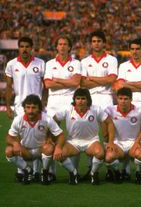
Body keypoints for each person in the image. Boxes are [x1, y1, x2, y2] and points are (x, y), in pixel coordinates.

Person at [5, 36, 47, 181]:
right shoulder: (11, 64)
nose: (24, 49)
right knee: (21, 138)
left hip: (37, 105)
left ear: (31, 48)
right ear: (19, 48)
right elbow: (9, 87)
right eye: (21, 46)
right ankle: (23, 170)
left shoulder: (41, 63)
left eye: (27, 46)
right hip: (19, 106)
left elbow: (45, 86)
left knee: (37, 137)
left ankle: (36, 170)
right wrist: (8, 106)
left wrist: (44, 103)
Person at [53, 88, 115, 185]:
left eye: (83, 98)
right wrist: (55, 138)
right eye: (78, 98)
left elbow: (109, 123)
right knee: (59, 155)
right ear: (74, 100)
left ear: (88, 100)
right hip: (73, 142)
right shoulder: (67, 109)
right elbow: (54, 120)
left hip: (91, 141)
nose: (80, 101)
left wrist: (110, 141)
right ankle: (73, 173)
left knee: (100, 153)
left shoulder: (95, 109)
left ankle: (93, 173)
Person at [115, 38, 141, 179]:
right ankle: (125, 169)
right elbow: (119, 86)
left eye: (137, 49)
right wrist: (137, 85)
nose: (134, 51)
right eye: (132, 49)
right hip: (127, 103)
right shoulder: (123, 66)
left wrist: (127, 84)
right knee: (126, 135)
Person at [80, 30, 118, 180]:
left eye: (99, 41)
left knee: (107, 133)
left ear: (104, 43)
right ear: (91, 43)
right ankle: (91, 168)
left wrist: (92, 79)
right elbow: (82, 82)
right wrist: (101, 79)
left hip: (106, 98)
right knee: (90, 133)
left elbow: (111, 80)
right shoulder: (84, 61)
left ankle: (110, 166)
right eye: (94, 41)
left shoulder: (112, 60)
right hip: (90, 99)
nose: (96, 44)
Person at [5, 94, 65, 185]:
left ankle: (45, 172)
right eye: (28, 107)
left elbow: (60, 135)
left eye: (34, 108)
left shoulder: (47, 118)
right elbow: (9, 138)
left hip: (42, 151)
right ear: (24, 108)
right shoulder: (18, 119)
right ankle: (27, 170)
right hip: (26, 151)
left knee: (49, 148)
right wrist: (15, 143)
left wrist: (59, 147)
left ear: (39, 108)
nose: (30, 111)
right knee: (8, 150)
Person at [44, 35, 81, 179]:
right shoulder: (50, 63)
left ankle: (74, 170)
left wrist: (57, 80)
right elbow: (47, 84)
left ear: (69, 47)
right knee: (51, 136)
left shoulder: (76, 63)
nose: (62, 46)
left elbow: (76, 83)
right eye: (60, 44)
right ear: (57, 47)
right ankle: (51, 172)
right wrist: (68, 81)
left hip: (70, 101)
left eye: (65, 44)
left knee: (75, 135)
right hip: (53, 101)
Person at [105, 87, 141, 184]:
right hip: (118, 143)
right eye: (120, 98)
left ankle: (139, 173)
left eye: (126, 99)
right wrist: (109, 141)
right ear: (117, 99)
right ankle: (118, 173)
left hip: (135, 142)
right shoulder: (109, 110)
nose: (123, 101)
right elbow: (101, 120)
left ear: (131, 99)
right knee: (108, 158)